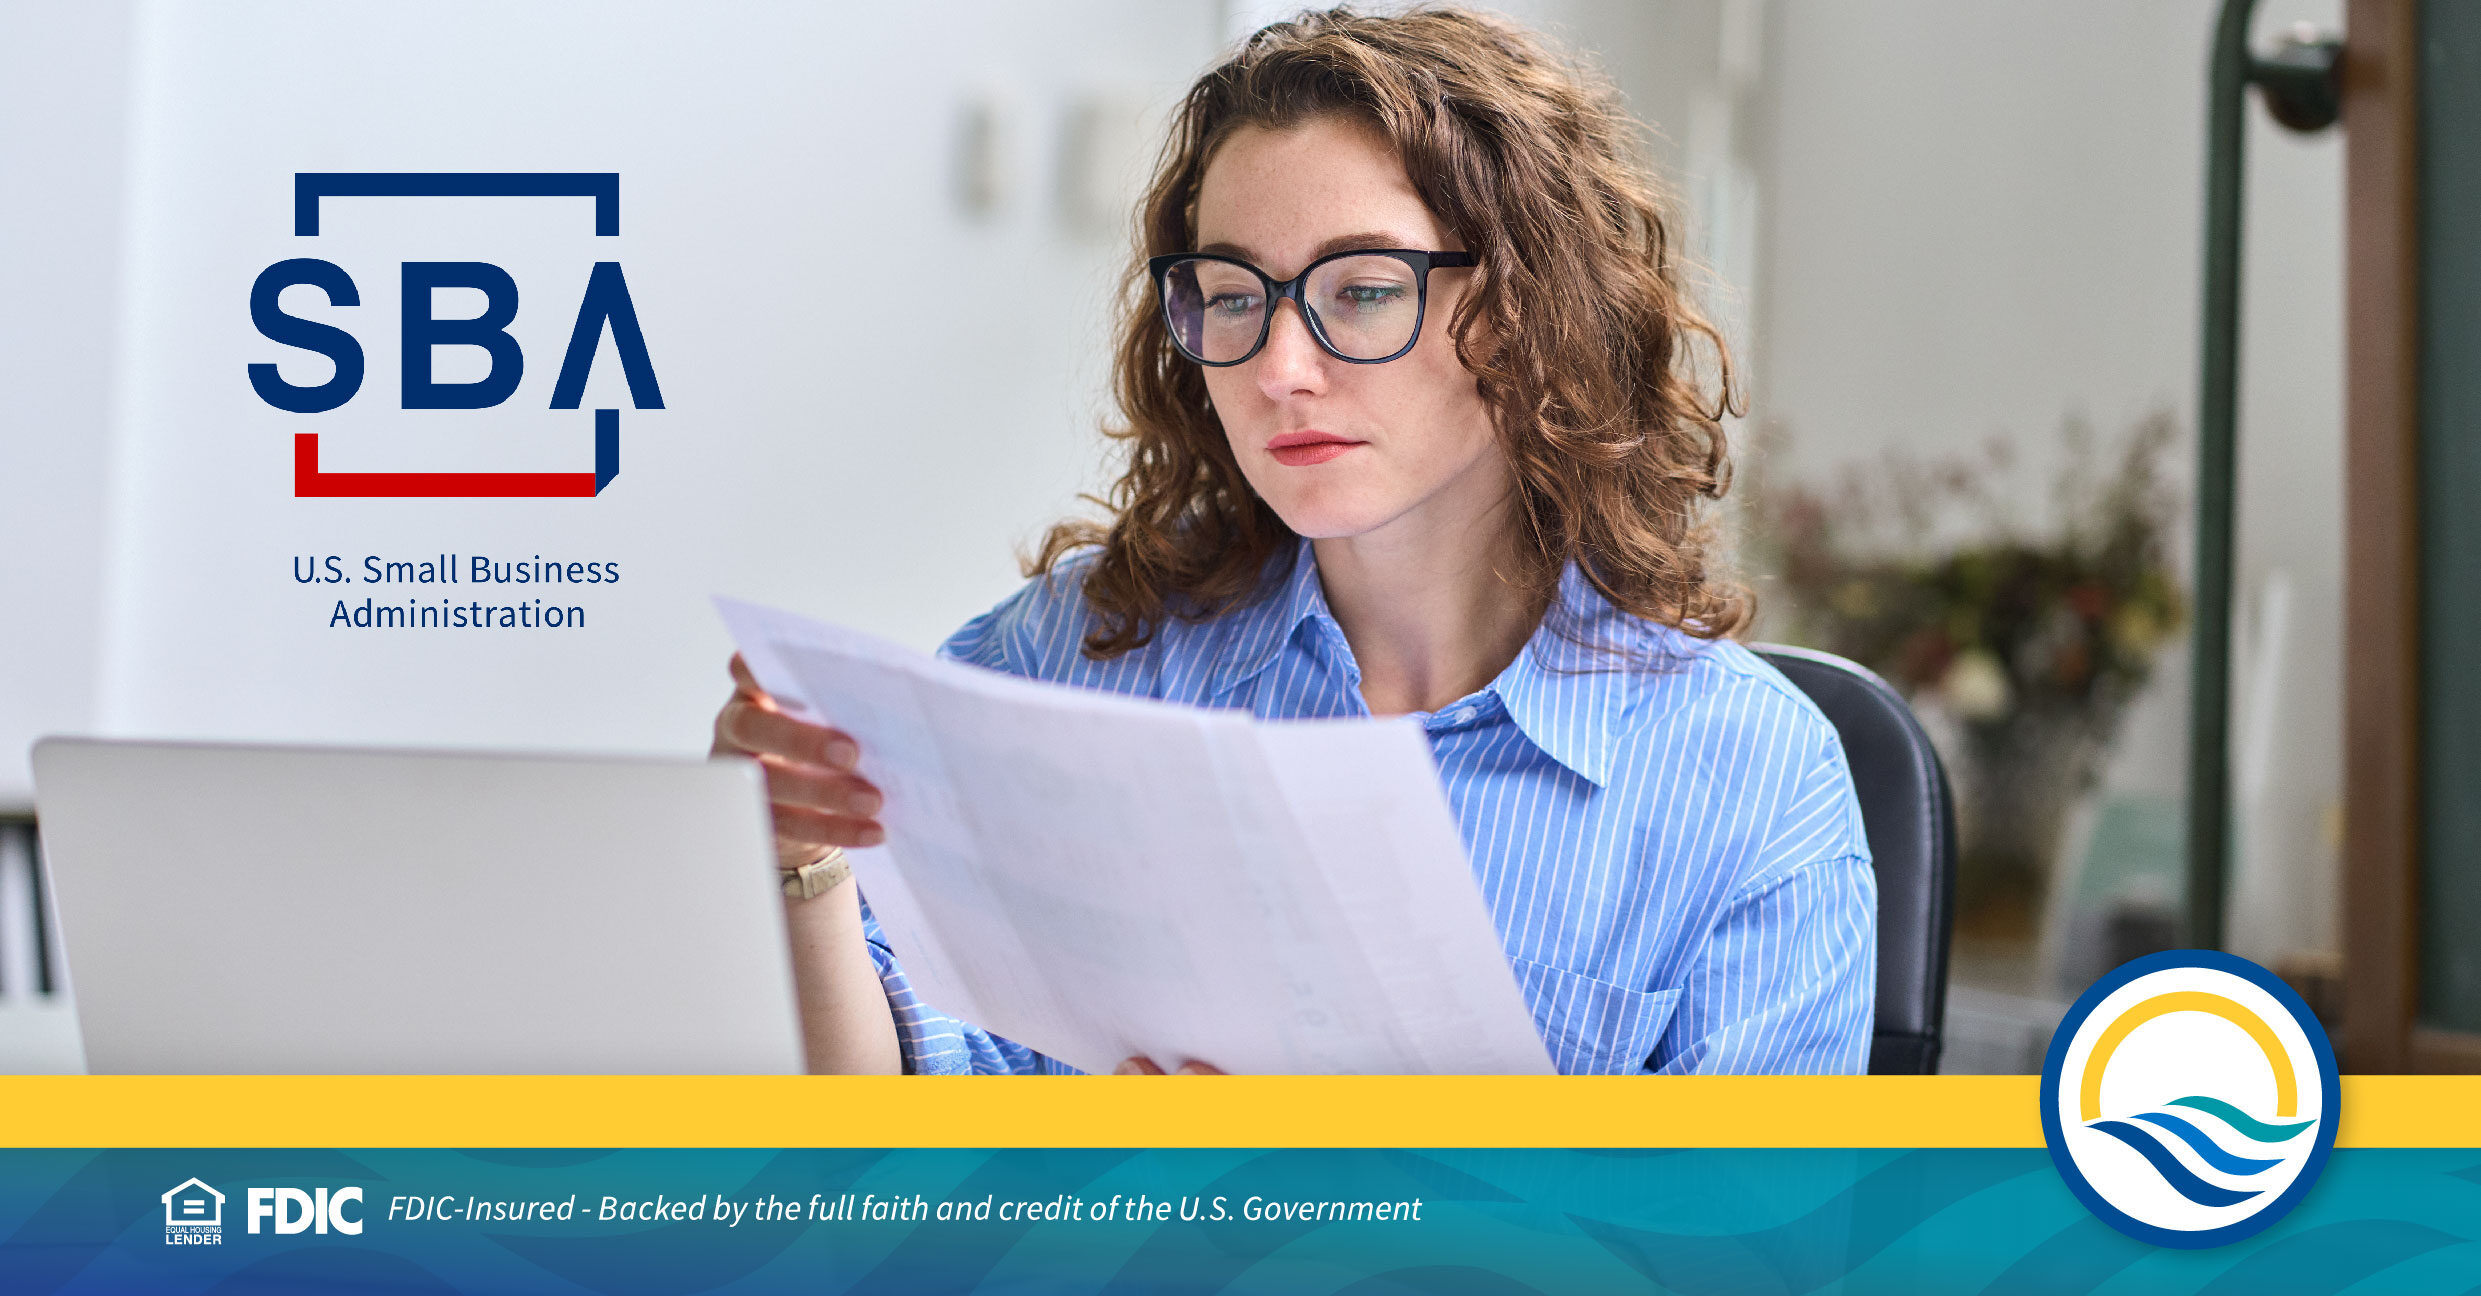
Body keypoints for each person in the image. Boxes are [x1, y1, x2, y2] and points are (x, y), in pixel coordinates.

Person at [710, 5, 1876, 1077]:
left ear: (1528, 309)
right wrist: (797, 865)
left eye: (1362, 290)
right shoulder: (1082, 651)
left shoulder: (1753, 781)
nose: (1278, 370)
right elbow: (895, 1129)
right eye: (1229, 294)